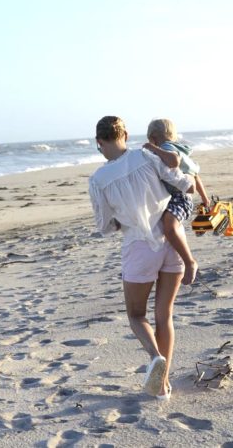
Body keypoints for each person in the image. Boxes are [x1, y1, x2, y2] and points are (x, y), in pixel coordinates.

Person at [89, 116, 195, 400]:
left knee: (137, 315)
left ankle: (154, 357)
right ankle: (163, 386)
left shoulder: (98, 179)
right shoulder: (146, 155)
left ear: (99, 142)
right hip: (172, 240)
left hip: (138, 244)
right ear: (124, 133)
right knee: (165, 316)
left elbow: (104, 226)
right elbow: (184, 183)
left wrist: (121, 222)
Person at [144, 119, 209, 285]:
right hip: (179, 197)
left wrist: (153, 149)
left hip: (179, 197)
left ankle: (189, 262)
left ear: (153, 138)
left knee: (169, 227)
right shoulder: (181, 150)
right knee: (166, 227)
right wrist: (205, 198)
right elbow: (195, 176)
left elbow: (173, 161)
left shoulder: (166, 149)